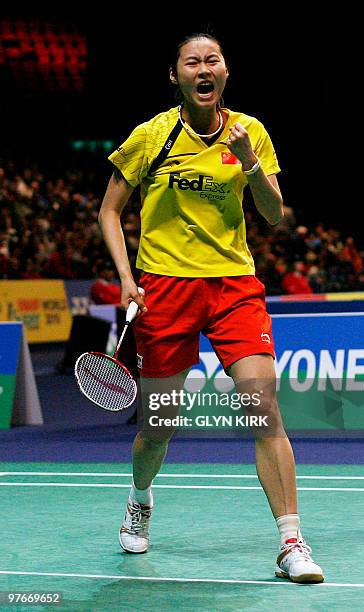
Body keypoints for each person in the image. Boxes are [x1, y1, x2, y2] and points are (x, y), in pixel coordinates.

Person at [98, 33, 324, 584]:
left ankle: (291, 541)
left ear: (225, 73)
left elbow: (274, 213)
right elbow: (109, 211)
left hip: (233, 286)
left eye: (213, 60)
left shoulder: (252, 133)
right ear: (174, 76)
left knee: (263, 404)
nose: (204, 68)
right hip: (165, 289)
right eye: (192, 62)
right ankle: (141, 497)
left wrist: (248, 162)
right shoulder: (151, 135)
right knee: (160, 426)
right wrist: (127, 278)